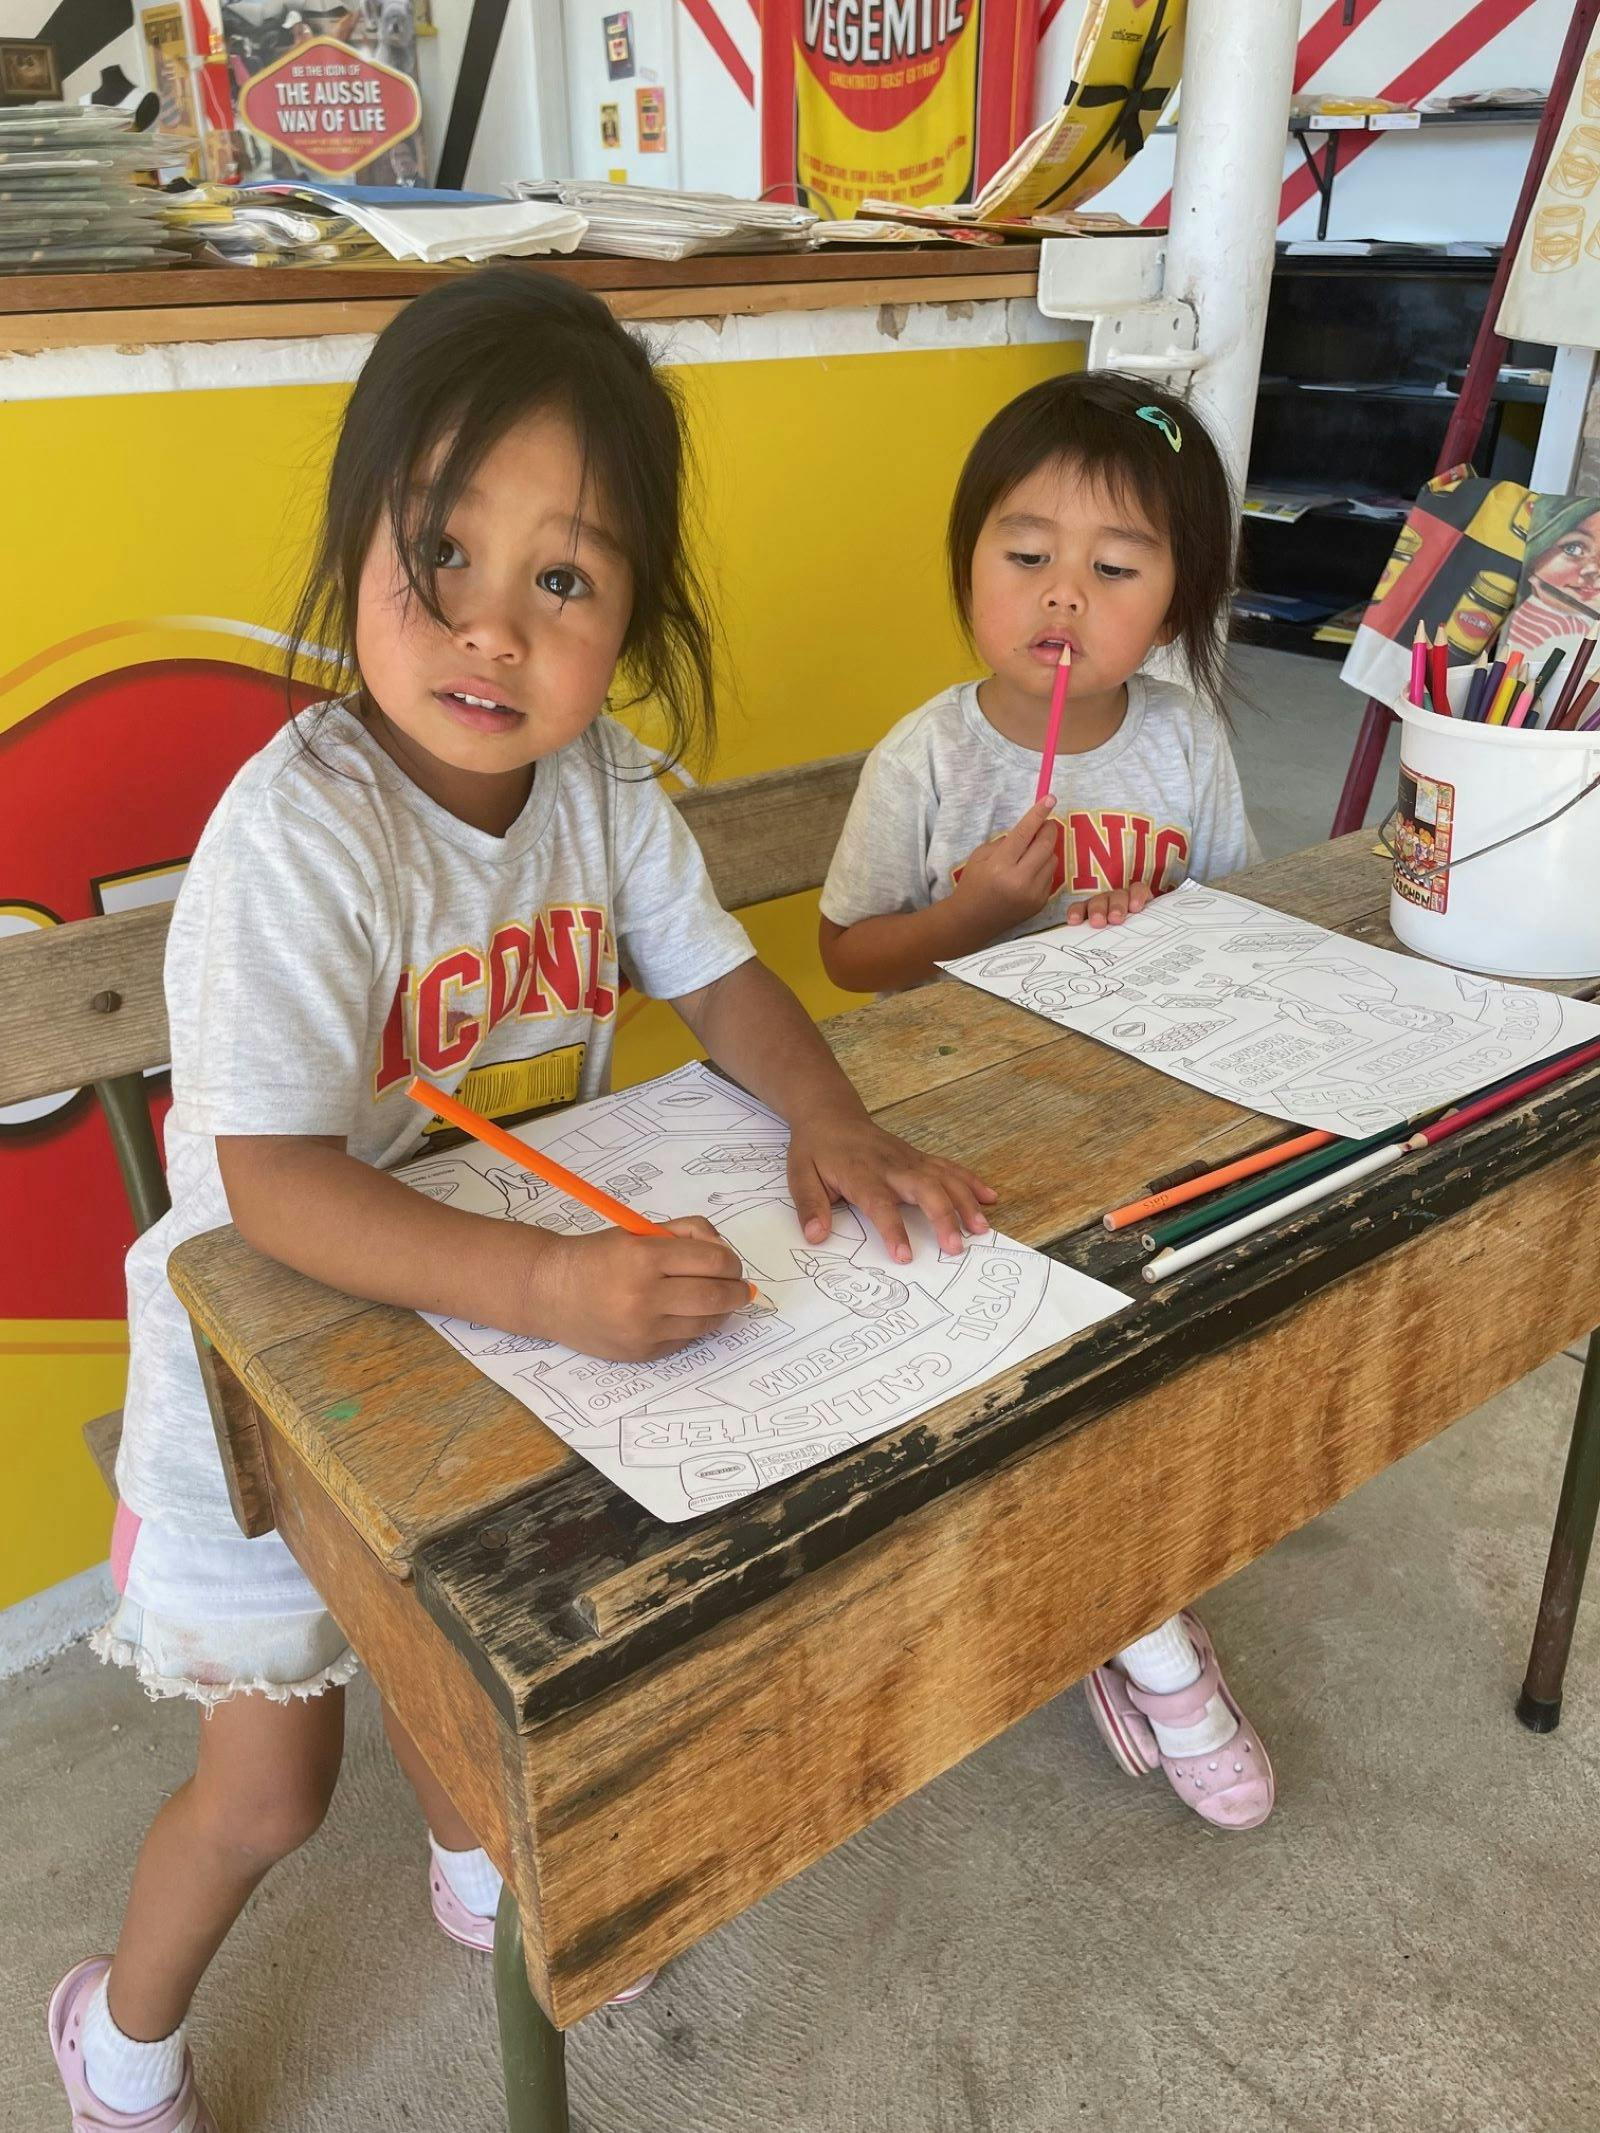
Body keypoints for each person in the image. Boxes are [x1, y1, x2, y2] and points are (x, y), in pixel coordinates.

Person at [49, 268, 996, 2133]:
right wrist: (557, 1288)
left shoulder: (600, 785)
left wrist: (835, 1117)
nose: (492, 632)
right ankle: (122, 2028)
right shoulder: (299, 835)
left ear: (631, 612)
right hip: (279, 1353)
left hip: (473, 1336)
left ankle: (477, 1853)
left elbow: (721, 979)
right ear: (359, 544)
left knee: (476, 1669)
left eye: (560, 580)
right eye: (442, 557)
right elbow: (276, 1191)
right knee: (269, 1792)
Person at [818, 369, 1274, 1834]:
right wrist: (965, 915)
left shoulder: (1187, 743)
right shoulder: (932, 757)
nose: (1063, 595)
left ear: (1182, 594)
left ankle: (1130, 1603)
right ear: (969, 565)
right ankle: (1119, 1615)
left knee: (1162, 1370)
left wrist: (1164, 915)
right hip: (963, 1136)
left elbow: (1236, 920)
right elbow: (848, 956)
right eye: (1027, 555)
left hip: (1135, 1117)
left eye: (1117, 566)